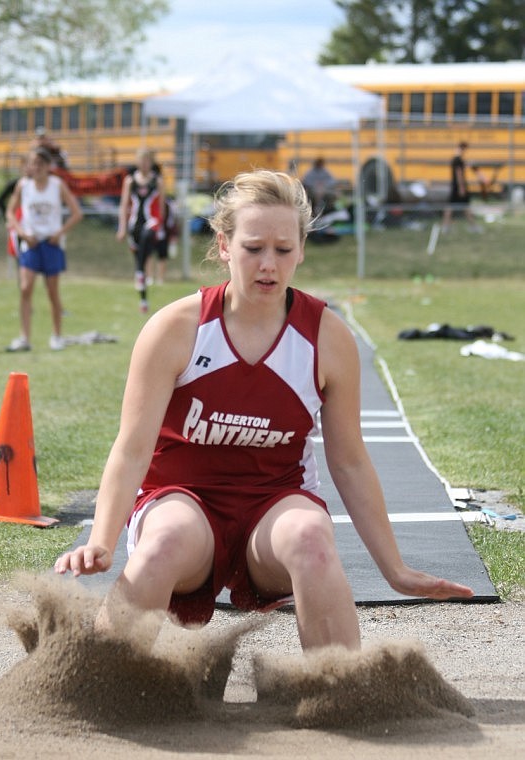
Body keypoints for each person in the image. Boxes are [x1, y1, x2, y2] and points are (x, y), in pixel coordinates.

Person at [55, 170, 473, 650]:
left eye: (283, 249)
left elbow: (350, 460)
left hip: (273, 506)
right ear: (224, 244)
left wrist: (395, 570)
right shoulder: (176, 328)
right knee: (164, 543)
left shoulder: (327, 338)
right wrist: (102, 540)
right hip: (181, 500)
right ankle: (96, 683)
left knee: (313, 537)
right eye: (253, 248)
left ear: (301, 250)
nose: (268, 265)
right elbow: (131, 447)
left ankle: (343, 693)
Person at [5, 147, 82, 352]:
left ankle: (57, 336)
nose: (36, 168)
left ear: (48, 166)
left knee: (52, 292)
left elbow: (76, 213)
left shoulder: (57, 185)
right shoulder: (24, 185)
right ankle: (24, 338)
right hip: (30, 243)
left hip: (51, 244)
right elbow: (10, 212)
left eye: (40, 164)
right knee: (25, 288)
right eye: (33, 163)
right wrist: (22, 233)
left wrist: (59, 234)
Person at [116, 149, 165, 312]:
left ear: (151, 163)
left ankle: (139, 272)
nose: (144, 164)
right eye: (141, 161)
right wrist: (122, 228)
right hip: (134, 224)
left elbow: (161, 206)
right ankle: (143, 300)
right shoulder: (130, 181)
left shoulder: (157, 181)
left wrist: (161, 226)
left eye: (147, 161)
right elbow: (124, 206)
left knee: (147, 236)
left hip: (152, 222)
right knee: (139, 259)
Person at [442, 142, 481, 232]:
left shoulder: (456, 159)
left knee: (451, 207)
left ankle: (446, 226)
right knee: (464, 207)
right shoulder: (458, 160)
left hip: (456, 186)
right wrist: (461, 187)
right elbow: (459, 174)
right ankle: (473, 226)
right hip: (459, 186)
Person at [145, 195, 178, 285]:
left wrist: (173, 234)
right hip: (151, 232)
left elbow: (171, 221)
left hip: (163, 234)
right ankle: (149, 277)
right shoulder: (150, 202)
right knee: (148, 255)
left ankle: (160, 279)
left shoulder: (168, 204)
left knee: (162, 257)